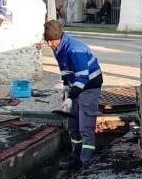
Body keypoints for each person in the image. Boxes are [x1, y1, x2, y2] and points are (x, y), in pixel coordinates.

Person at [44, 20, 103, 170]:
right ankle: (75, 157)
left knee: (85, 126)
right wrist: (66, 88)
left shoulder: (76, 50)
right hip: (75, 85)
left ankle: (86, 163)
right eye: (47, 41)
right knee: (73, 125)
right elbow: (64, 69)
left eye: (52, 41)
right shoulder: (58, 46)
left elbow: (83, 78)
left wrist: (71, 97)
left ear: (60, 37)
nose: (49, 45)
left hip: (90, 86)